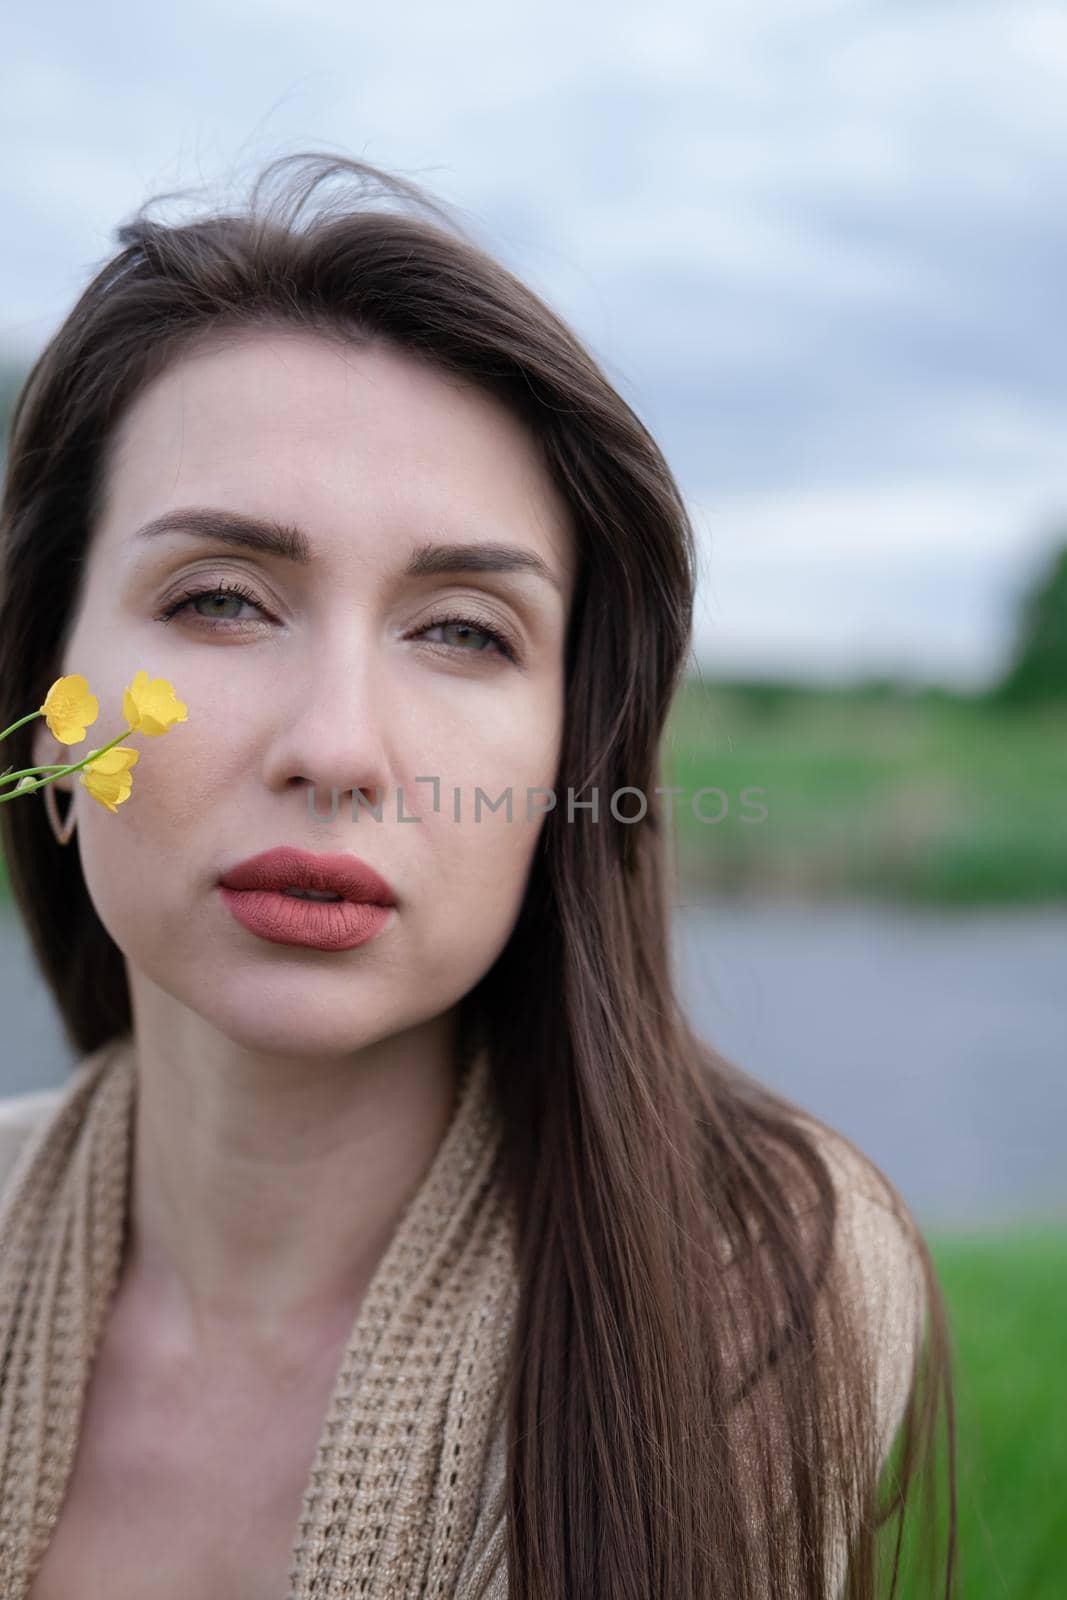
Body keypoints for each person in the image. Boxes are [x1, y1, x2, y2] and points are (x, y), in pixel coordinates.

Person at [0, 152, 955, 1600]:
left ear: (573, 757)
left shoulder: (758, 1279)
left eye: (463, 633)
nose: (338, 748)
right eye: (219, 600)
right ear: (49, 700)